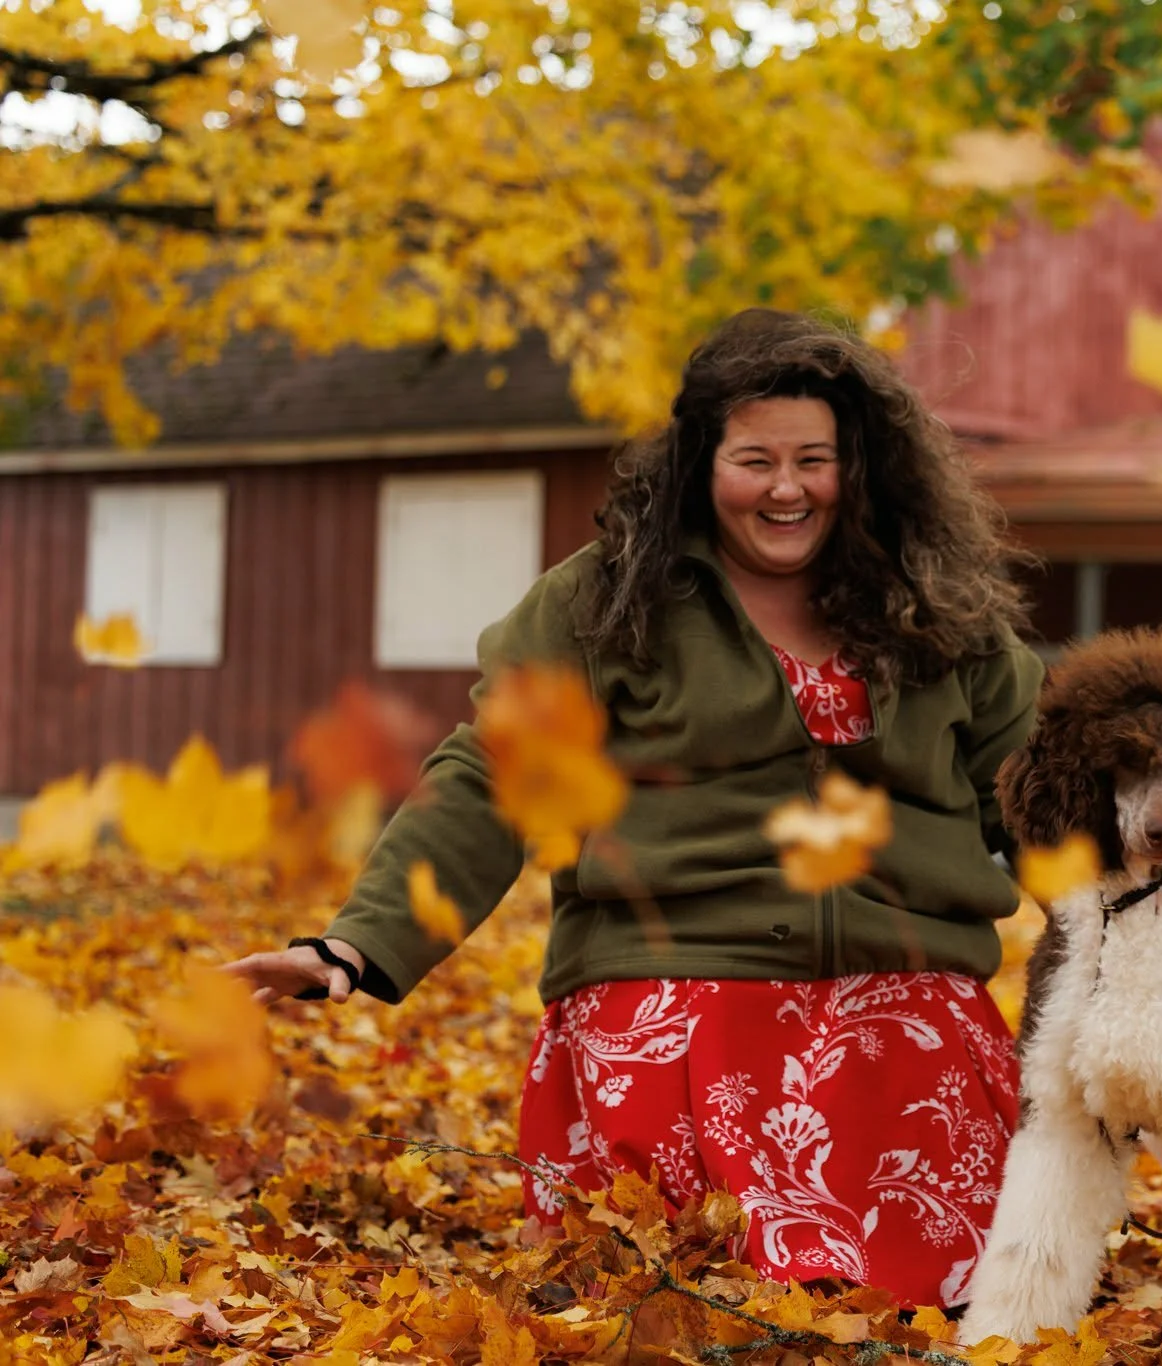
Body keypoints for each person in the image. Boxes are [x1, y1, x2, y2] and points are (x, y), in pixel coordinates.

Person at [226, 309, 1045, 1308]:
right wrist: (355, 945)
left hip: (904, 999)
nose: (786, 488)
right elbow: (489, 777)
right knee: (692, 1303)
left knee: (953, 1300)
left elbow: (1043, 798)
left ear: (859, 468)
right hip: (676, 988)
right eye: (755, 459)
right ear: (702, 463)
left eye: (813, 460)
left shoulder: (941, 610)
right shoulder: (605, 603)